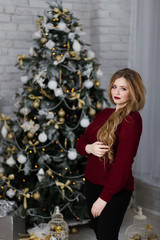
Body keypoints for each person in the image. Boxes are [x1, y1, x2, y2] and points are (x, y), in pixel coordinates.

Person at [76, 68, 146, 240]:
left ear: (133, 91)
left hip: (114, 189)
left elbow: (123, 165)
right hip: (92, 183)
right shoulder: (105, 113)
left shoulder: (132, 119)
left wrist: (104, 198)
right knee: (99, 233)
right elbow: (80, 143)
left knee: (107, 235)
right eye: (115, 86)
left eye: (124, 88)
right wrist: (90, 148)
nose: (117, 92)